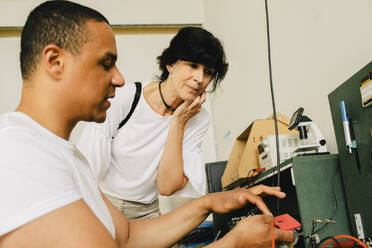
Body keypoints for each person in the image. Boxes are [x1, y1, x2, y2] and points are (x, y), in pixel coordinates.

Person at [0, 1, 295, 247]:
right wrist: (234, 242)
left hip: (145, 210)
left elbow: (127, 237)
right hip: (118, 200)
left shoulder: (66, 156)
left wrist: (209, 203)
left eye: (208, 72)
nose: (119, 78)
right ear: (55, 61)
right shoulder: (17, 151)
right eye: (106, 63)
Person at [76, 26, 228, 220]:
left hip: (148, 211)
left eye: (208, 72)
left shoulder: (198, 118)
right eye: (192, 65)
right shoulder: (125, 98)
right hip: (104, 203)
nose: (199, 78)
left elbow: (167, 186)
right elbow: (88, 167)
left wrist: (178, 123)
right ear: (170, 64)